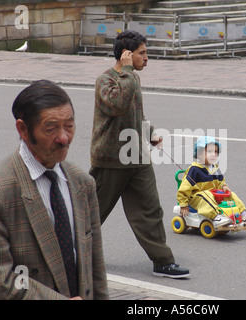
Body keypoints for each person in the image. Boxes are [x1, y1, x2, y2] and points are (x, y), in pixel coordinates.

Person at [0, 80, 108, 300]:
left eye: (69, 125)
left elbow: (95, 269)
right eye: (51, 128)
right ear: (23, 129)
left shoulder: (82, 183)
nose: (64, 138)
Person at [89, 30, 189, 279]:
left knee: (150, 210)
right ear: (126, 54)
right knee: (91, 214)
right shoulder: (107, 80)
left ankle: (163, 261)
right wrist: (126, 72)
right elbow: (118, 105)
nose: (147, 58)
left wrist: (150, 133)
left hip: (137, 157)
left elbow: (135, 114)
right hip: (111, 160)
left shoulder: (130, 78)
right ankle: (69, 252)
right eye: (142, 53)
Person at [177, 136, 246, 228]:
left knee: (231, 194)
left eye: (215, 152)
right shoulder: (194, 169)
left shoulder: (214, 168)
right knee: (206, 194)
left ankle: (244, 215)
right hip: (197, 198)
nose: (213, 154)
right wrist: (183, 204)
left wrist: (223, 186)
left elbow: (220, 181)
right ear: (199, 154)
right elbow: (183, 189)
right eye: (209, 151)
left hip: (213, 196)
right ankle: (216, 217)